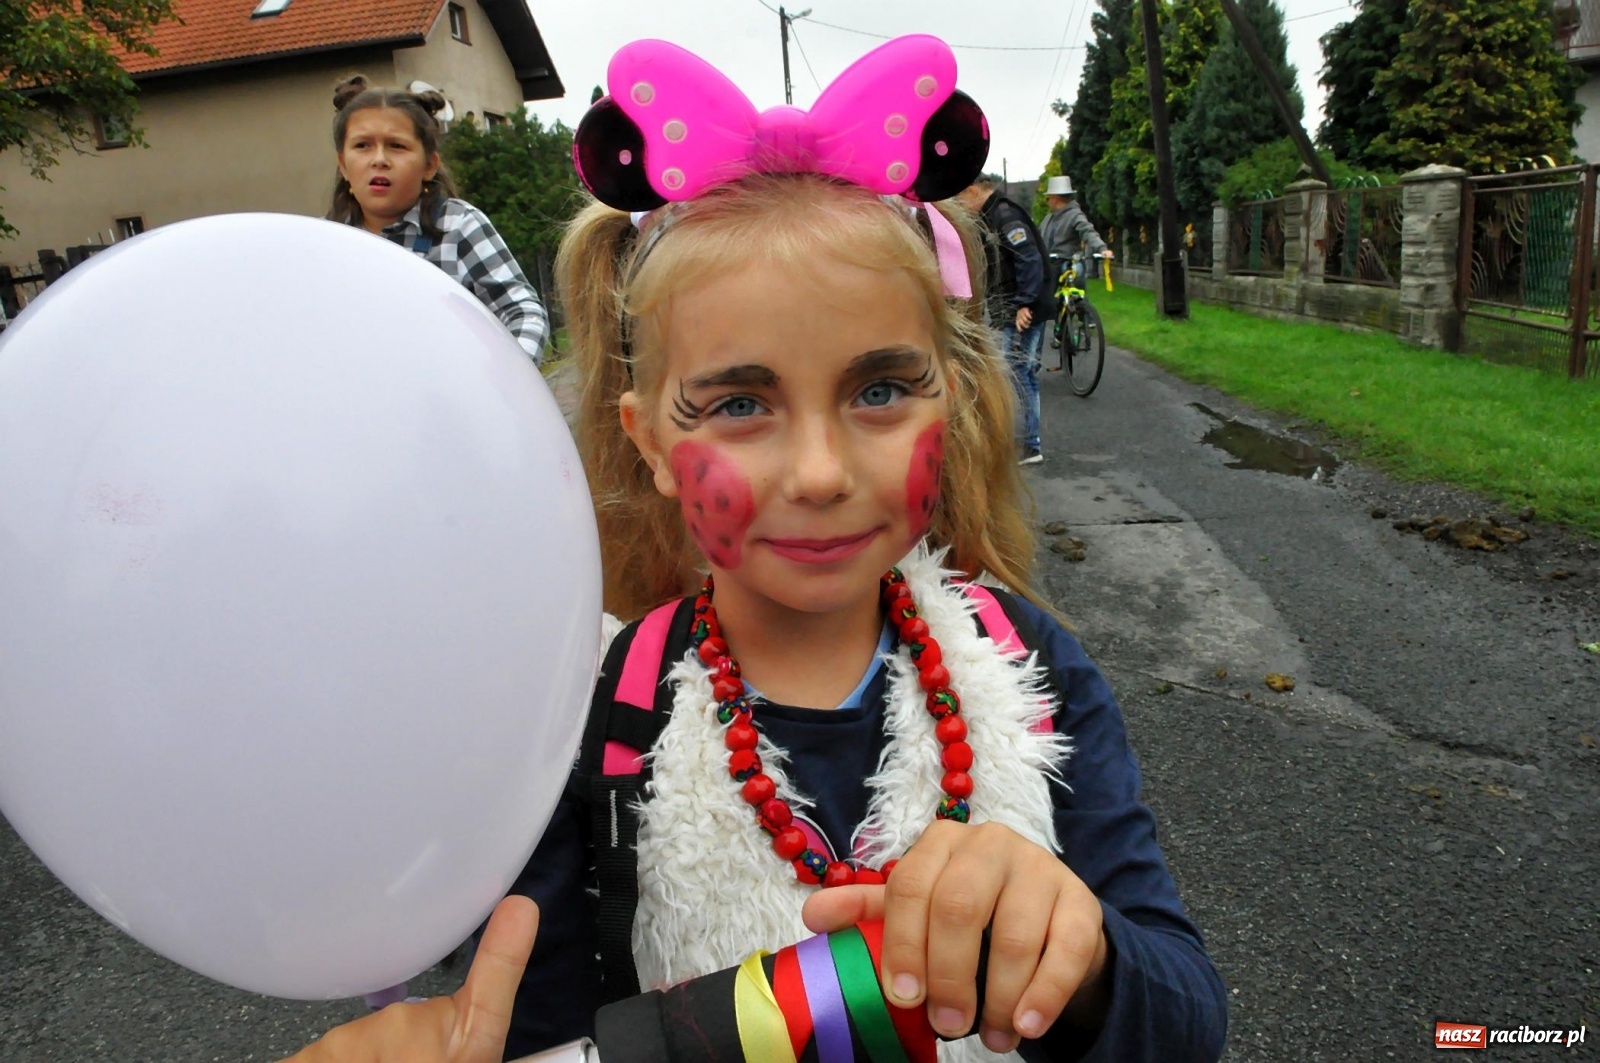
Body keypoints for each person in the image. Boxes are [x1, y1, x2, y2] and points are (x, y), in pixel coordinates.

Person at [287, 36, 1226, 1063]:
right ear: (648, 440)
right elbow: (545, 1026)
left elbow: (1184, 1017)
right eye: (740, 402)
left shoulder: (1032, 669)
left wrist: (1084, 962)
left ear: (945, 404)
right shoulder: (592, 721)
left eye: (878, 390)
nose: (820, 472)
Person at [328, 77, 549, 364]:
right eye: (362, 146)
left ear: (429, 165)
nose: (379, 159)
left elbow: (523, 313)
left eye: (396, 146)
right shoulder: (324, 244)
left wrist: (499, 386)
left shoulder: (458, 227)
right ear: (343, 164)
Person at [954, 174, 1053, 467]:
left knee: (1019, 373)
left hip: (1023, 309)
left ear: (972, 191)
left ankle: (1030, 444)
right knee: (1018, 371)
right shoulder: (992, 214)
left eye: (959, 199)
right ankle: (1025, 441)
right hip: (1017, 306)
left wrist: (1025, 303)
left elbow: (1029, 259)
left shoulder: (1003, 214)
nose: (959, 206)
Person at [1038, 175, 1110, 276]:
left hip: (1067, 265)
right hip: (1047, 265)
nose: (1048, 202)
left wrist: (1102, 249)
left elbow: (1088, 232)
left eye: (1048, 198)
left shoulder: (1075, 215)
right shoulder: (1048, 219)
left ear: (1055, 199)